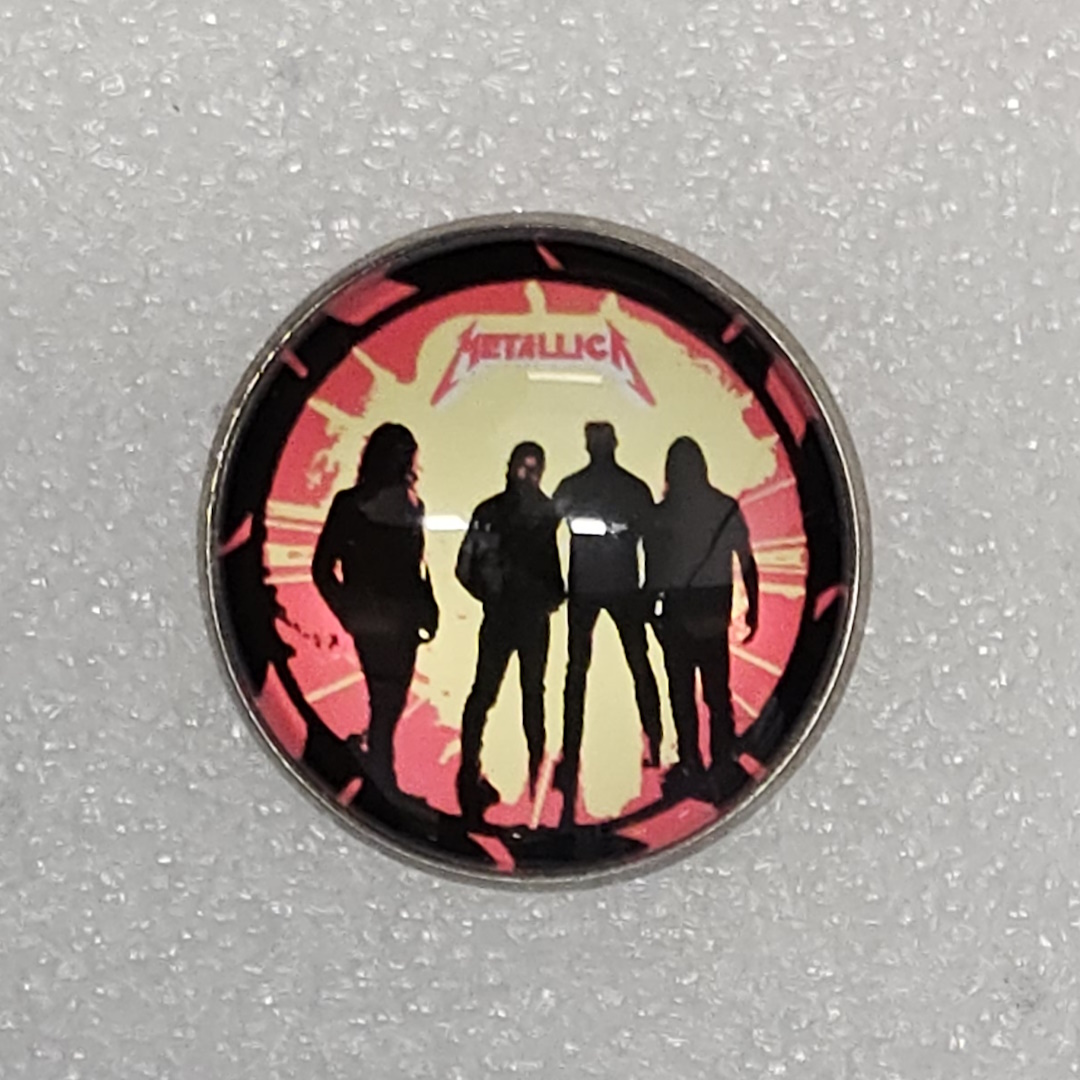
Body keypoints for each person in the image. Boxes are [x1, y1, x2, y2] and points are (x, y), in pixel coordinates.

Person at [311, 423, 438, 798]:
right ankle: (382, 779)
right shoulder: (350, 505)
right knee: (384, 698)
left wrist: (427, 608)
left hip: (403, 623)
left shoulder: (412, 506)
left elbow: (414, 569)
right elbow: (322, 567)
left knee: (392, 701)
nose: (405, 463)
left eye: (408, 455)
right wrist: (348, 610)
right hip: (372, 621)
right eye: (399, 454)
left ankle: (379, 773)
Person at [553, 422, 662, 829]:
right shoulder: (632, 489)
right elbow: (652, 541)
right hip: (617, 588)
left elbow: (546, 527)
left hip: (593, 587)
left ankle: (574, 750)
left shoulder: (574, 486)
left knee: (582, 670)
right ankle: (653, 739)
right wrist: (651, 589)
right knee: (633, 665)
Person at [455, 443, 564, 825]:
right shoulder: (512, 512)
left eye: (533, 469)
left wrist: (541, 595)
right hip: (512, 616)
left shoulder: (523, 512)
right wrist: (497, 594)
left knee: (518, 695)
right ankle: (484, 774)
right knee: (504, 694)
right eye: (524, 468)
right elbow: (466, 566)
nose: (528, 476)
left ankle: (514, 777)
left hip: (520, 616)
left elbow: (466, 567)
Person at [646, 437, 759, 800]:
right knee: (717, 692)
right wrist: (753, 608)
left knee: (680, 693)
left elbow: (653, 567)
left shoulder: (663, 513)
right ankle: (722, 758)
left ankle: (689, 760)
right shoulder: (723, 507)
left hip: (677, 609)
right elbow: (746, 561)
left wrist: (649, 610)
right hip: (713, 608)